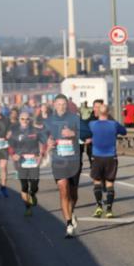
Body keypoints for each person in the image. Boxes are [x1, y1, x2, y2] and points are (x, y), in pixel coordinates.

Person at [45, 94, 83, 237]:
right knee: (63, 190)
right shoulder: (49, 121)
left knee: (73, 195)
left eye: (63, 104)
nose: (61, 106)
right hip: (58, 161)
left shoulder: (74, 119)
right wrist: (48, 144)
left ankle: (71, 211)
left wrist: (73, 133)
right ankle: (68, 224)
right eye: (58, 104)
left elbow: (85, 133)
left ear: (67, 105)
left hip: (73, 160)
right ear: (54, 105)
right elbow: (44, 139)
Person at [88, 103, 127, 218]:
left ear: (98, 113)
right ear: (109, 112)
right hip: (111, 157)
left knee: (97, 182)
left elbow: (85, 133)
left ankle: (99, 206)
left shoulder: (92, 124)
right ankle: (109, 209)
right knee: (110, 183)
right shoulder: (114, 124)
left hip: (97, 157)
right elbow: (124, 131)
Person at [9, 112, 45, 216]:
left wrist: (40, 155)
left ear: (30, 120)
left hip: (33, 161)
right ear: (19, 120)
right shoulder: (15, 132)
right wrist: (13, 155)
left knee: (34, 186)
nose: (25, 121)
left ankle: (32, 194)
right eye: (22, 119)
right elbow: (11, 146)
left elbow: (43, 143)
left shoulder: (36, 131)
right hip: (21, 162)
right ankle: (27, 207)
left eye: (27, 119)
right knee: (24, 186)